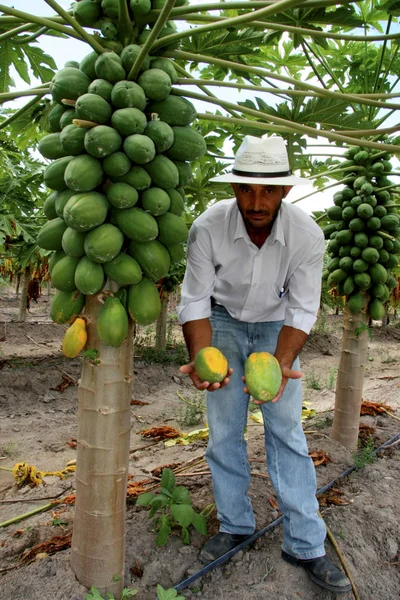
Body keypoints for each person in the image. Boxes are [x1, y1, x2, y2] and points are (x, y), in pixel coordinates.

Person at [177, 135, 351, 594]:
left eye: (268, 191)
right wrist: (201, 358)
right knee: (224, 427)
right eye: (247, 190)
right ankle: (235, 524)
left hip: (277, 326)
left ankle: (305, 542)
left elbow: (302, 309)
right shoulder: (208, 228)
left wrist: (281, 364)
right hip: (223, 319)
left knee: (286, 430)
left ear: (285, 192)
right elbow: (194, 300)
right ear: (234, 189)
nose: (257, 202)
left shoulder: (307, 235)